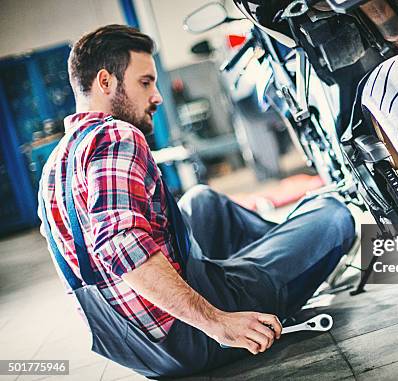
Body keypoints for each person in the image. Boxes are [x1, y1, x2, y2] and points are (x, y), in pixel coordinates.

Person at [38, 24, 355, 378]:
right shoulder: (116, 133)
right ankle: (299, 270)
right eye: (145, 83)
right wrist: (218, 323)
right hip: (191, 335)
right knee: (332, 214)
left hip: (132, 342)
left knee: (204, 201)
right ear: (106, 82)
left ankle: (275, 264)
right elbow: (119, 244)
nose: (156, 96)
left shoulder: (56, 163)